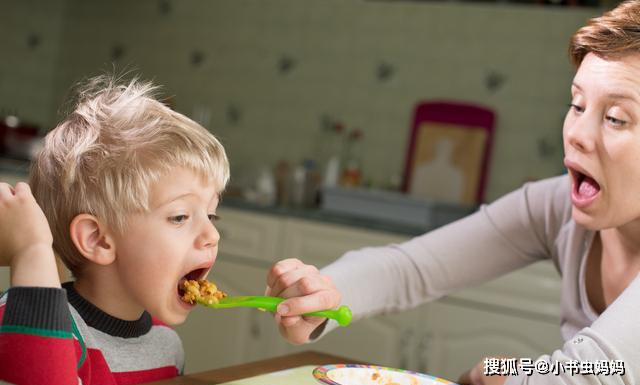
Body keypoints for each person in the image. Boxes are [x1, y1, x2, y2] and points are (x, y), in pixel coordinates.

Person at [268, 1, 640, 384]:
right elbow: (411, 268)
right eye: (577, 105)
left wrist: (498, 375)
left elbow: (583, 377)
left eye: (615, 118)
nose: (577, 134)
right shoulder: (556, 207)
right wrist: (322, 297)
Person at [0, 75, 340, 385]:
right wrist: (31, 251)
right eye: (179, 217)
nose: (212, 235)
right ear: (98, 239)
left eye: (212, 215)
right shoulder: (30, 323)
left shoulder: (166, 346)